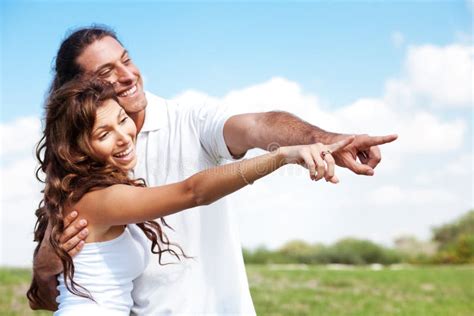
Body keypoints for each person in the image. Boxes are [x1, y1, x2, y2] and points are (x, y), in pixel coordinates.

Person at [29, 26, 397, 314]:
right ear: (81, 93)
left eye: (127, 59)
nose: (127, 75)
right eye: (107, 72)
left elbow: (259, 124)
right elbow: (193, 191)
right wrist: (46, 259)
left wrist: (323, 139)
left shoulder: (188, 119)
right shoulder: (87, 180)